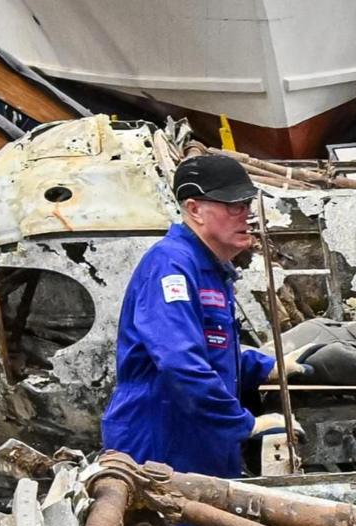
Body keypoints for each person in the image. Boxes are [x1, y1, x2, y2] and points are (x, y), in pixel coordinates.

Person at [103, 149, 276, 477]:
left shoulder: (211, 268)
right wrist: (245, 424)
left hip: (200, 441)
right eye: (233, 206)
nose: (245, 215)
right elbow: (180, 362)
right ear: (195, 210)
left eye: (247, 205)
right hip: (162, 441)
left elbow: (211, 348)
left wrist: (266, 368)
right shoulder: (171, 267)